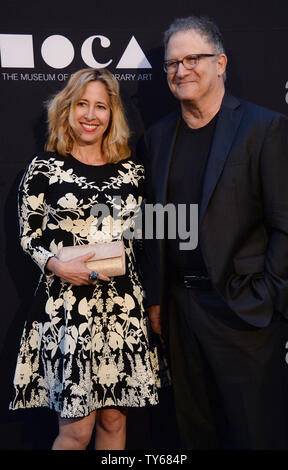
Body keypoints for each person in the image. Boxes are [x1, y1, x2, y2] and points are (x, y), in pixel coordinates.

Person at [140, 15, 288, 449]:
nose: (180, 70)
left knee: (254, 433)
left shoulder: (264, 128)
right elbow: (157, 227)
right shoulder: (158, 138)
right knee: (193, 432)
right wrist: (156, 298)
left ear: (220, 63)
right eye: (171, 63)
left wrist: (270, 296)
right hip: (181, 312)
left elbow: (285, 224)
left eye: (192, 59)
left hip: (244, 312)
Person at [9, 68, 160, 450]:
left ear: (113, 114)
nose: (90, 115)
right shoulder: (43, 168)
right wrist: (57, 265)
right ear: (67, 108)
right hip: (68, 312)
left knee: (113, 423)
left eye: (100, 106)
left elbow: (148, 238)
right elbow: (28, 236)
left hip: (123, 313)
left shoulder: (134, 172)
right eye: (82, 105)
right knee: (75, 431)